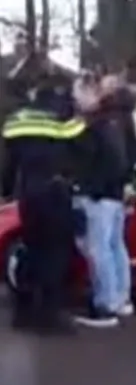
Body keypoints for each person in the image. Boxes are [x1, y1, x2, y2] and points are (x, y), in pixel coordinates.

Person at [1, 73, 93, 335]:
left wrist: (6, 191)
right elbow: (83, 149)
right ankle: (49, 315)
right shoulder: (63, 118)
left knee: (31, 250)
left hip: (28, 192)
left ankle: (24, 311)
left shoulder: (17, 120)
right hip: (55, 192)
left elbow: (9, 163)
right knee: (55, 254)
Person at [69, 74, 136, 328]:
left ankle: (105, 304)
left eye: (78, 94)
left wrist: (91, 188)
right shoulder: (116, 121)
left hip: (99, 195)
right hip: (114, 194)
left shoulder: (96, 124)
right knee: (115, 246)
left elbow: (93, 159)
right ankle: (120, 298)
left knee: (99, 249)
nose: (75, 100)